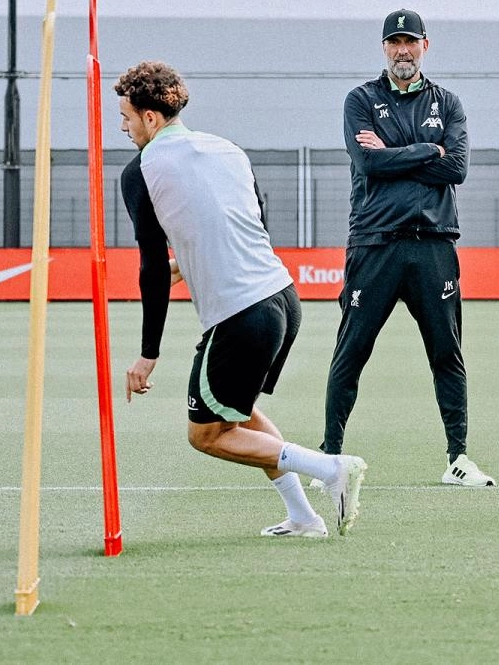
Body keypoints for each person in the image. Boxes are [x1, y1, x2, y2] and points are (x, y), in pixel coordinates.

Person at [117, 60, 366, 537]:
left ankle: (330, 469)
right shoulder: (226, 149)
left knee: (207, 434)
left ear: (151, 117)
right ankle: (303, 517)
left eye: (127, 117)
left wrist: (148, 355)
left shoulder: (141, 171)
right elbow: (248, 228)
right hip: (281, 300)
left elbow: (149, 266)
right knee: (240, 412)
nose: (123, 128)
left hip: (241, 315)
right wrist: (185, 265)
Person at [321, 9, 496, 487]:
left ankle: (458, 458)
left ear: (425, 45)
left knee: (447, 353)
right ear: (384, 48)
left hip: (433, 246)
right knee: (351, 352)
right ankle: (329, 458)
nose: (403, 50)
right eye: (394, 42)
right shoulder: (361, 99)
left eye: (410, 42)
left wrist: (397, 151)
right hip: (374, 244)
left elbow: (456, 168)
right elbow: (369, 163)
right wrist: (428, 150)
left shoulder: (449, 102)